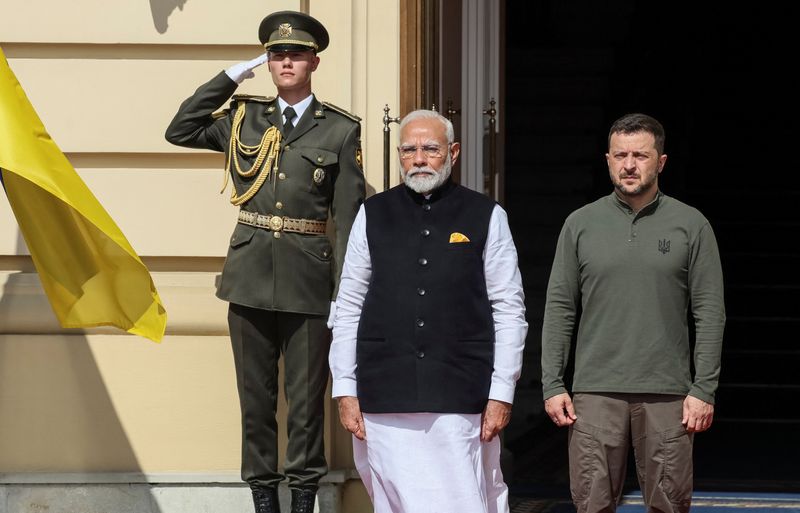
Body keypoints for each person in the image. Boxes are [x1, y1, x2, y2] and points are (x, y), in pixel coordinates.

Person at [164, 10, 365, 513]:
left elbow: (349, 219)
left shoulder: (339, 130)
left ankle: (301, 499)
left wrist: (344, 294)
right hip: (249, 277)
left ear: (314, 61)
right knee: (255, 402)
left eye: (295, 54)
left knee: (304, 405)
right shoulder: (242, 116)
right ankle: (262, 500)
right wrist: (230, 77)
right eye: (276, 55)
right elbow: (179, 130)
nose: (285, 62)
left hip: (309, 283)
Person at [329, 109, 528, 513]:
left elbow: (509, 309)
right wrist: (345, 387)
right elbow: (348, 304)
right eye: (409, 149)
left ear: (452, 152)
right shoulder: (373, 214)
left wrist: (502, 391)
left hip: (461, 393)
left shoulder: (486, 215)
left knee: (465, 498)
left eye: (430, 149)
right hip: (384, 392)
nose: (419, 158)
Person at [541, 113, 726, 513]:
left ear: (660, 162)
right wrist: (553, 383)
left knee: (669, 504)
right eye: (620, 155)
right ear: (607, 159)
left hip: (669, 394)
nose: (629, 165)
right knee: (591, 502)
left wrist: (703, 389)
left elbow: (710, 312)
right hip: (595, 391)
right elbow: (560, 307)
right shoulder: (580, 224)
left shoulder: (691, 225)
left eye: (640, 155)